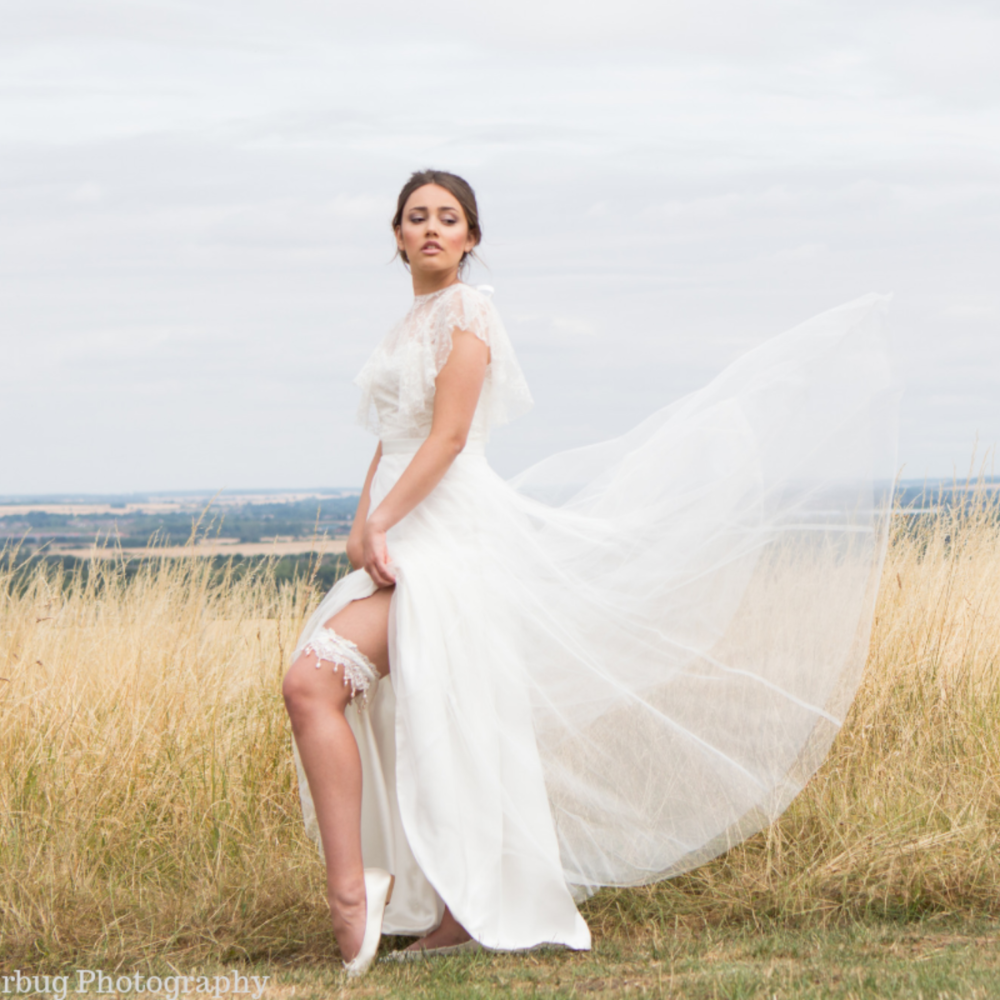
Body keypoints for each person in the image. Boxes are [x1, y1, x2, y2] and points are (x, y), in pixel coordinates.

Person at [281, 169, 899, 977]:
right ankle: (444, 904)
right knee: (421, 709)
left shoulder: (471, 311)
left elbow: (450, 438)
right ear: (396, 237)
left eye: (450, 218)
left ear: (471, 239)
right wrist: (363, 523)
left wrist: (387, 520)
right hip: (400, 525)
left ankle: (359, 897)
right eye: (416, 217)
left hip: (448, 532)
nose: (432, 227)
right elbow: (390, 440)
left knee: (328, 686)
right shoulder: (405, 326)